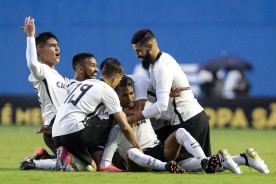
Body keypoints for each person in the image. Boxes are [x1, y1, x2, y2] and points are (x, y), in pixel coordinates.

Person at [100, 75, 221, 173]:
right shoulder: (109, 114)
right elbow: (100, 117)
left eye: (131, 93)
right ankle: (166, 167)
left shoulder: (145, 106)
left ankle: (204, 161)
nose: (130, 98)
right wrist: (116, 115)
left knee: (180, 132)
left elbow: (163, 112)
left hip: (158, 149)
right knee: (132, 152)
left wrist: (169, 96)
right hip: (137, 159)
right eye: (125, 95)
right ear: (116, 96)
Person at [128, 29, 212, 161]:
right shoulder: (158, 63)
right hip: (195, 117)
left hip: (187, 120)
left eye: (139, 51)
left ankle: (232, 159)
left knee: (181, 164)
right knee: (205, 164)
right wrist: (167, 94)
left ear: (150, 46)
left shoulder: (161, 67)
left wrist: (133, 119)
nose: (137, 55)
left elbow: (161, 105)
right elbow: (161, 97)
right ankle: (232, 159)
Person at [52, 58, 140, 172]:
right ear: (115, 78)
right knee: (120, 116)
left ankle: (67, 155)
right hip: (74, 132)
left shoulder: (84, 83)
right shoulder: (107, 90)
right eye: (118, 81)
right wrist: (138, 148)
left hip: (57, 135)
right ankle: (106, 163)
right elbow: (124, 126)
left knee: (90, 168)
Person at [20, 17, 68, 158]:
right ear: (40, 50)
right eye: (52, 45)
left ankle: (44, 157)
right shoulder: (41, 71)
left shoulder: (59, 77)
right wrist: (30, 37)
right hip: (53, 129)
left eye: (57, 45)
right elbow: (32, 64)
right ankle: (34, 162)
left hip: (65, 127)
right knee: (76, 165)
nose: (57, 48)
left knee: (84, 162)